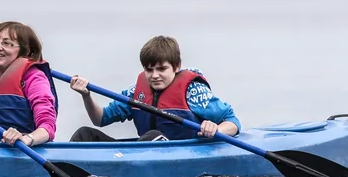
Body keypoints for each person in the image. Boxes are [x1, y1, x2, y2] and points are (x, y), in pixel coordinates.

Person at [67, 35, 240, 142]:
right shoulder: (136, 92)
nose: (154, 75)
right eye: (149, 70)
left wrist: (215, 129)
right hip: (145, 149)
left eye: (161, 69)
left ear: (176, 66)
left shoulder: (193, 91)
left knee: (152, 136)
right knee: (84, 134)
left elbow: (233, 122)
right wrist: (86, 96)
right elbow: (101, 119)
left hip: (184, 150)